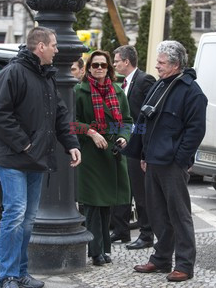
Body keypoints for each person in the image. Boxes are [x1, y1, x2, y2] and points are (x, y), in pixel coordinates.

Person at [0, 27, 82, 288]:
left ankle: (20, 273)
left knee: (28, 219)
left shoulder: (47, 76)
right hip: (11, 158)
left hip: (35, 158)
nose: (57, 50)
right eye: (53, 45)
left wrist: (71, 144)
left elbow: (60, 115)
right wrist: (26, 144)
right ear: (40, 47)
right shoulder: (13, 73)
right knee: (16, 214)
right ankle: (7, 276)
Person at [123, 40, 207, 282]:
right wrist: (142, 154)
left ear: (176, 64)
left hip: (171, 164)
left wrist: (180, 159)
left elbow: (195, 131)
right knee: (158, 214)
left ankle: (184, 264)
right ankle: (161, 259)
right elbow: (146, 122)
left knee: (179, 215)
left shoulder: (192, 91)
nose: (156, 66)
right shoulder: (160, 85)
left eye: (161, 62)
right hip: (152, 161)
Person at [74, 50, 133, 266]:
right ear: (88, 68)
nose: (99, 68)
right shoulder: (79, 91)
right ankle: (95, 250)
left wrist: (123, 138)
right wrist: (91, 132)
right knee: (92, 205)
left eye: (103, 65)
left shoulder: (118, 91)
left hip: (112, 153)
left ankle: (104, 249)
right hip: (90, 154)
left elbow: (126, 121)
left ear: (109, 68)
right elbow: (71, 123)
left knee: (107, 204)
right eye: (95, 65)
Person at [110, 45, 156, 249]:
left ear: (126, 61)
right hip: (124, 145)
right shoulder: (123, 83)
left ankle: (147, 235)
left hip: (138, 147)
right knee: (122, 190)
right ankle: (121, 231)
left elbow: (148, 116)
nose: (114, 64)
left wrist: (136, 138)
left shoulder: (145, 80)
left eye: (116, 61)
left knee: (140, 193)